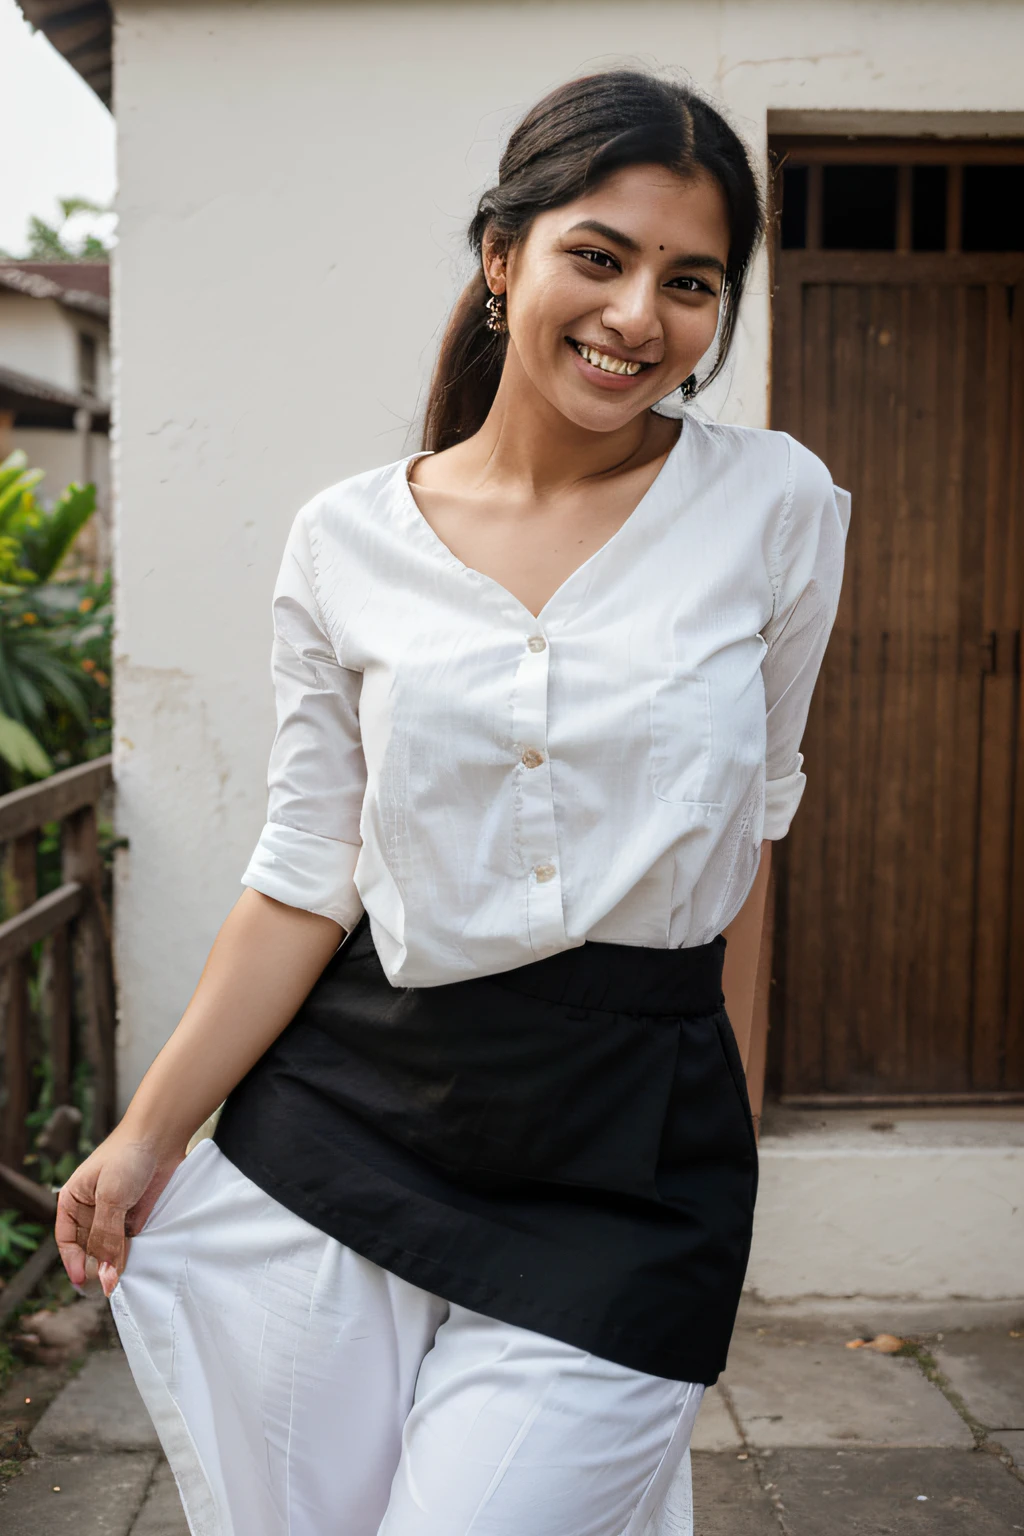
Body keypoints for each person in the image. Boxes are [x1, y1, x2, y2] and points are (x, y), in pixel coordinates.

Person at [56, 68, 849, 1536]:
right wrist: (150, 1128)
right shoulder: (345, 539)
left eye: (690, 281)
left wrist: (713, 1125)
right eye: (598, 257)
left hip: (629, 1156)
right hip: (353, 1117)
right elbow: (306, 868)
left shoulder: (777, 508)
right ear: (505, 257)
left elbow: (755, 833)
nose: (637, 318)